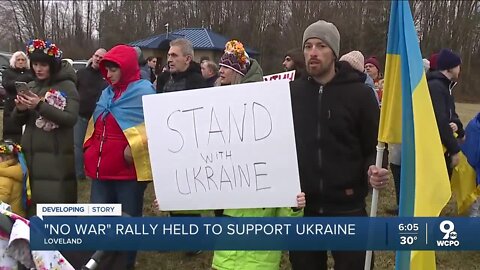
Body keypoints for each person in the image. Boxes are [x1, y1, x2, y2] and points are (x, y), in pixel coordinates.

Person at [288, 20, 389, 270]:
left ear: (333, 52)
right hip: (305, 209)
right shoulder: (291, 93)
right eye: (308, 46)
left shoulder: (360, 95)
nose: (313, 52)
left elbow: (375, 146)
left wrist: (375, 170)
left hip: (348, 208)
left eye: (321, 46)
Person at [83, 44, 155, 270]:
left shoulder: (144, 92)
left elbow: (153, 128)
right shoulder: (107, 92)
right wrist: (89, 150)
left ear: (126, 67)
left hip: (127, 175)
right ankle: (103, 263)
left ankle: (124, 264)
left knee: (127, 222)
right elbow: (97, 123)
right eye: (107, 69)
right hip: (101, 171)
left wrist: (133, 148)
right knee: (101, 223)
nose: (109, 74)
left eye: (114, 69)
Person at [12, 39, 79, 217]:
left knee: (53, 207)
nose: (38, 69)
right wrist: (20, 110)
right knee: (30, 205)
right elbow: (16, 123)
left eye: (43, 64)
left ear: (53, 65)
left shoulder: (67, 86)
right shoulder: (32, 86)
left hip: (55, 158)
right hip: (30, 155)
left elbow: (70, 118)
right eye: (35, 64)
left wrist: (40, 106)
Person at [427, 48, 464, 177]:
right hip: (435, 150)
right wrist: (454, 149)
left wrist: (457, 126)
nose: (459, 69)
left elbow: (450, 114)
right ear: (449, 68)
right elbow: (439, 120)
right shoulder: (436, 87)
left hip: (443, 147)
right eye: (457, 66)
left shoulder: (445, 86)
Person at [74, 48, 107, 181]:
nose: (98, 59)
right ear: (92, 56)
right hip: (81, 115)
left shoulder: (106, 76)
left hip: (97, 118)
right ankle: (78, 173)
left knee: (94, 147)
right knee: (77, 145)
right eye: (96, 56)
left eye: (101, 58)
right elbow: (73, 91)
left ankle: (94, 172)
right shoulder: (81, 73)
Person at [1, 51, 34, 142]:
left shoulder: (31, 72)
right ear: (13, 61)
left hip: (28, 106)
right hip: (11, 106)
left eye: (23, 60)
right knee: (11, 136)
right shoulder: (7, 72)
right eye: (18, 60)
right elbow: (7, 84)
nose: (20, 62)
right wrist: (23, 81)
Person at [0, 140, 29, 217]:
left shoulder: (5, 175)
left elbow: (2, 199)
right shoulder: (18, 169)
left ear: (1, 158)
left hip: (8, 220)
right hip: (18, 216)